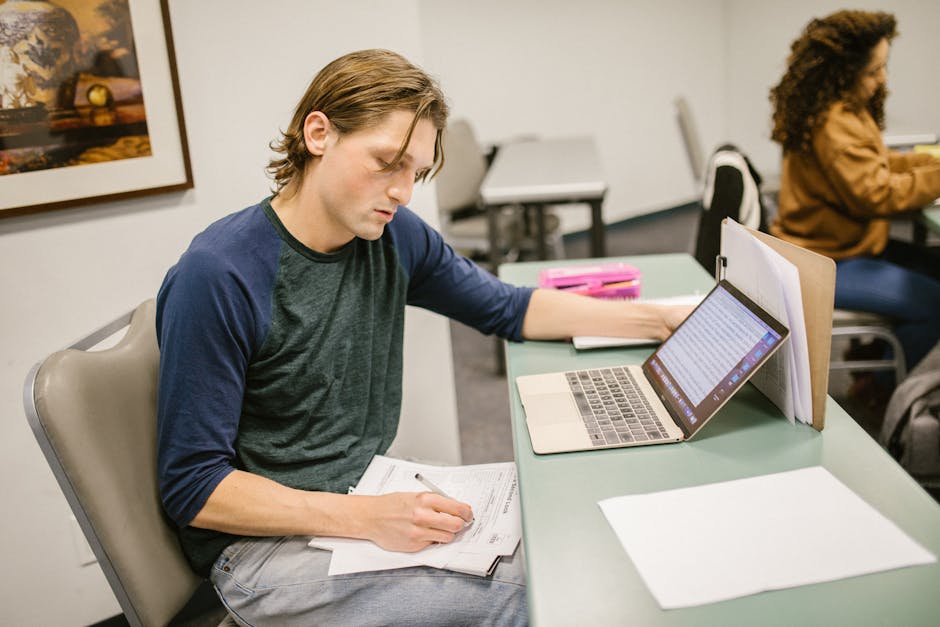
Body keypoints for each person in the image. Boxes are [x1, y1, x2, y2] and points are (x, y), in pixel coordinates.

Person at [156, 48, 689, 626]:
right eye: (387, 162)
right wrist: (364, 518)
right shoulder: (220, 273)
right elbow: (193, 486)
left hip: (365, 491)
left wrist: (660, 320)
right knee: (554, 599)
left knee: (570, 523)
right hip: (263, 552)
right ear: (318, 133)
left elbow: (508, 309)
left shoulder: (392, 236)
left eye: (416, 171)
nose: (404, 191)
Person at [768, 10, 940, 374]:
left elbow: (876, 163)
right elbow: (879, 195)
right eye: (874, 70)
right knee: (932, 303)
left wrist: (927, 167)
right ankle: (882, 391)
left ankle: (874, 365)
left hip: (840, 248)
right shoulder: (835, 124)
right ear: (845, 72)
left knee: (934, 267)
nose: (882, 79)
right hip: (824, 262)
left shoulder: (841, 109)